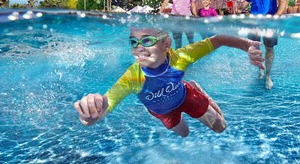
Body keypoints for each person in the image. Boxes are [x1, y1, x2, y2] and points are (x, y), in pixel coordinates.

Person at [74, 28, 264, 138]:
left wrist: (247, 45)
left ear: (166, 45)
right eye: (133, 42)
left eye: (147, 40)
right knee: (184, 134)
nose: (139, 48)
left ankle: (200, 92)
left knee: (220, 127)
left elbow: (219, 39)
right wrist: (89, 114)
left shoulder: (181, 57)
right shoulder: (132, 77)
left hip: (186, 96)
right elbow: (104, 106)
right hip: (163, 112)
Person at [240, 0, 286, 90]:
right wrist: (239, 8)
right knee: (254, 48)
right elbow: (247, 1)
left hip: (269, 22)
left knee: (269, 48)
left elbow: (282, 0)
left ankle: (268, 75)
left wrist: (276, 17)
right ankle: (260, 69)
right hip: (254, 22)